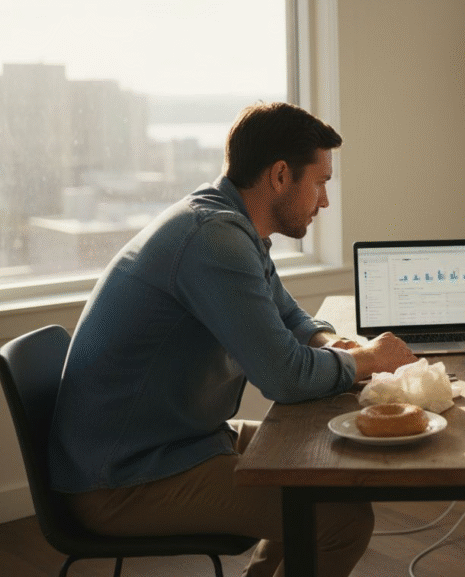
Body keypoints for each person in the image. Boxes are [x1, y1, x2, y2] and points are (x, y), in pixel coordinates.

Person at [49, 102, 417, 577]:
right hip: (123, 480)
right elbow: (284, 377)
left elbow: (287, 314)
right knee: (339, 519)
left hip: (173, 444)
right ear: (281, 175)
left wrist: (333, 343)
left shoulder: (227, 223)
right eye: (321, 181)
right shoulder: (214, 239)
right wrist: (367, 360)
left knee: (323, 462)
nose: (324, 201)